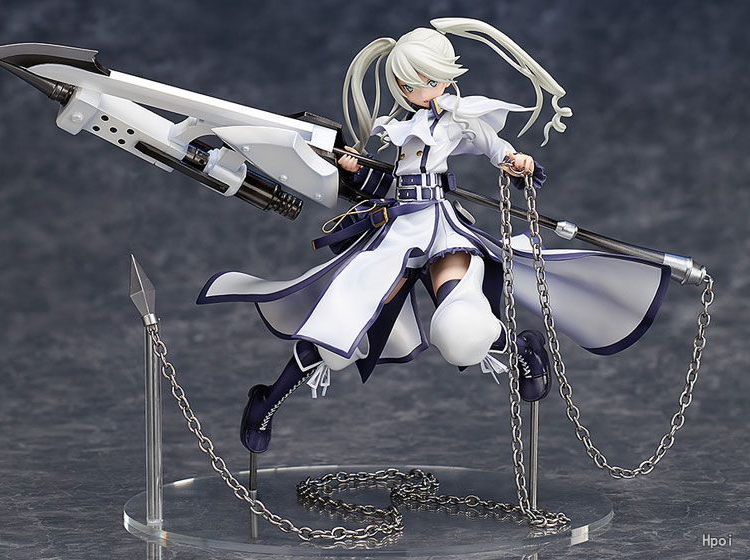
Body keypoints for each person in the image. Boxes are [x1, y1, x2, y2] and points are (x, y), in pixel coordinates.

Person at [197, 19, 670, 454]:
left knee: (461, 329)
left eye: (426, 80)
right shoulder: (398, 128)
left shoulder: (462, 119)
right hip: (398, 229)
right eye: (409, 83)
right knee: (338, 329)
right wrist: (352, 169)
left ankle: (522, 349)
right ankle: (268, 399)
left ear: (444, 78)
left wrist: (519, 162)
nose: (417, 91)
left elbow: (499, 151)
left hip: (442, 228)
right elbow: (385, 184)